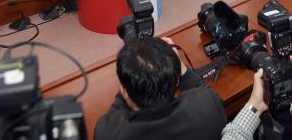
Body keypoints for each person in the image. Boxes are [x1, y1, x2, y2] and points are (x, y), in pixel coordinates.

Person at [94, 37, 227, 140]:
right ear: (177, 81)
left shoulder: (108, 133)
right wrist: (181, 69)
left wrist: (131, 74)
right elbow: (208, 94)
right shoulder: (208, 106)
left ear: (125, 93)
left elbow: (114, 115)